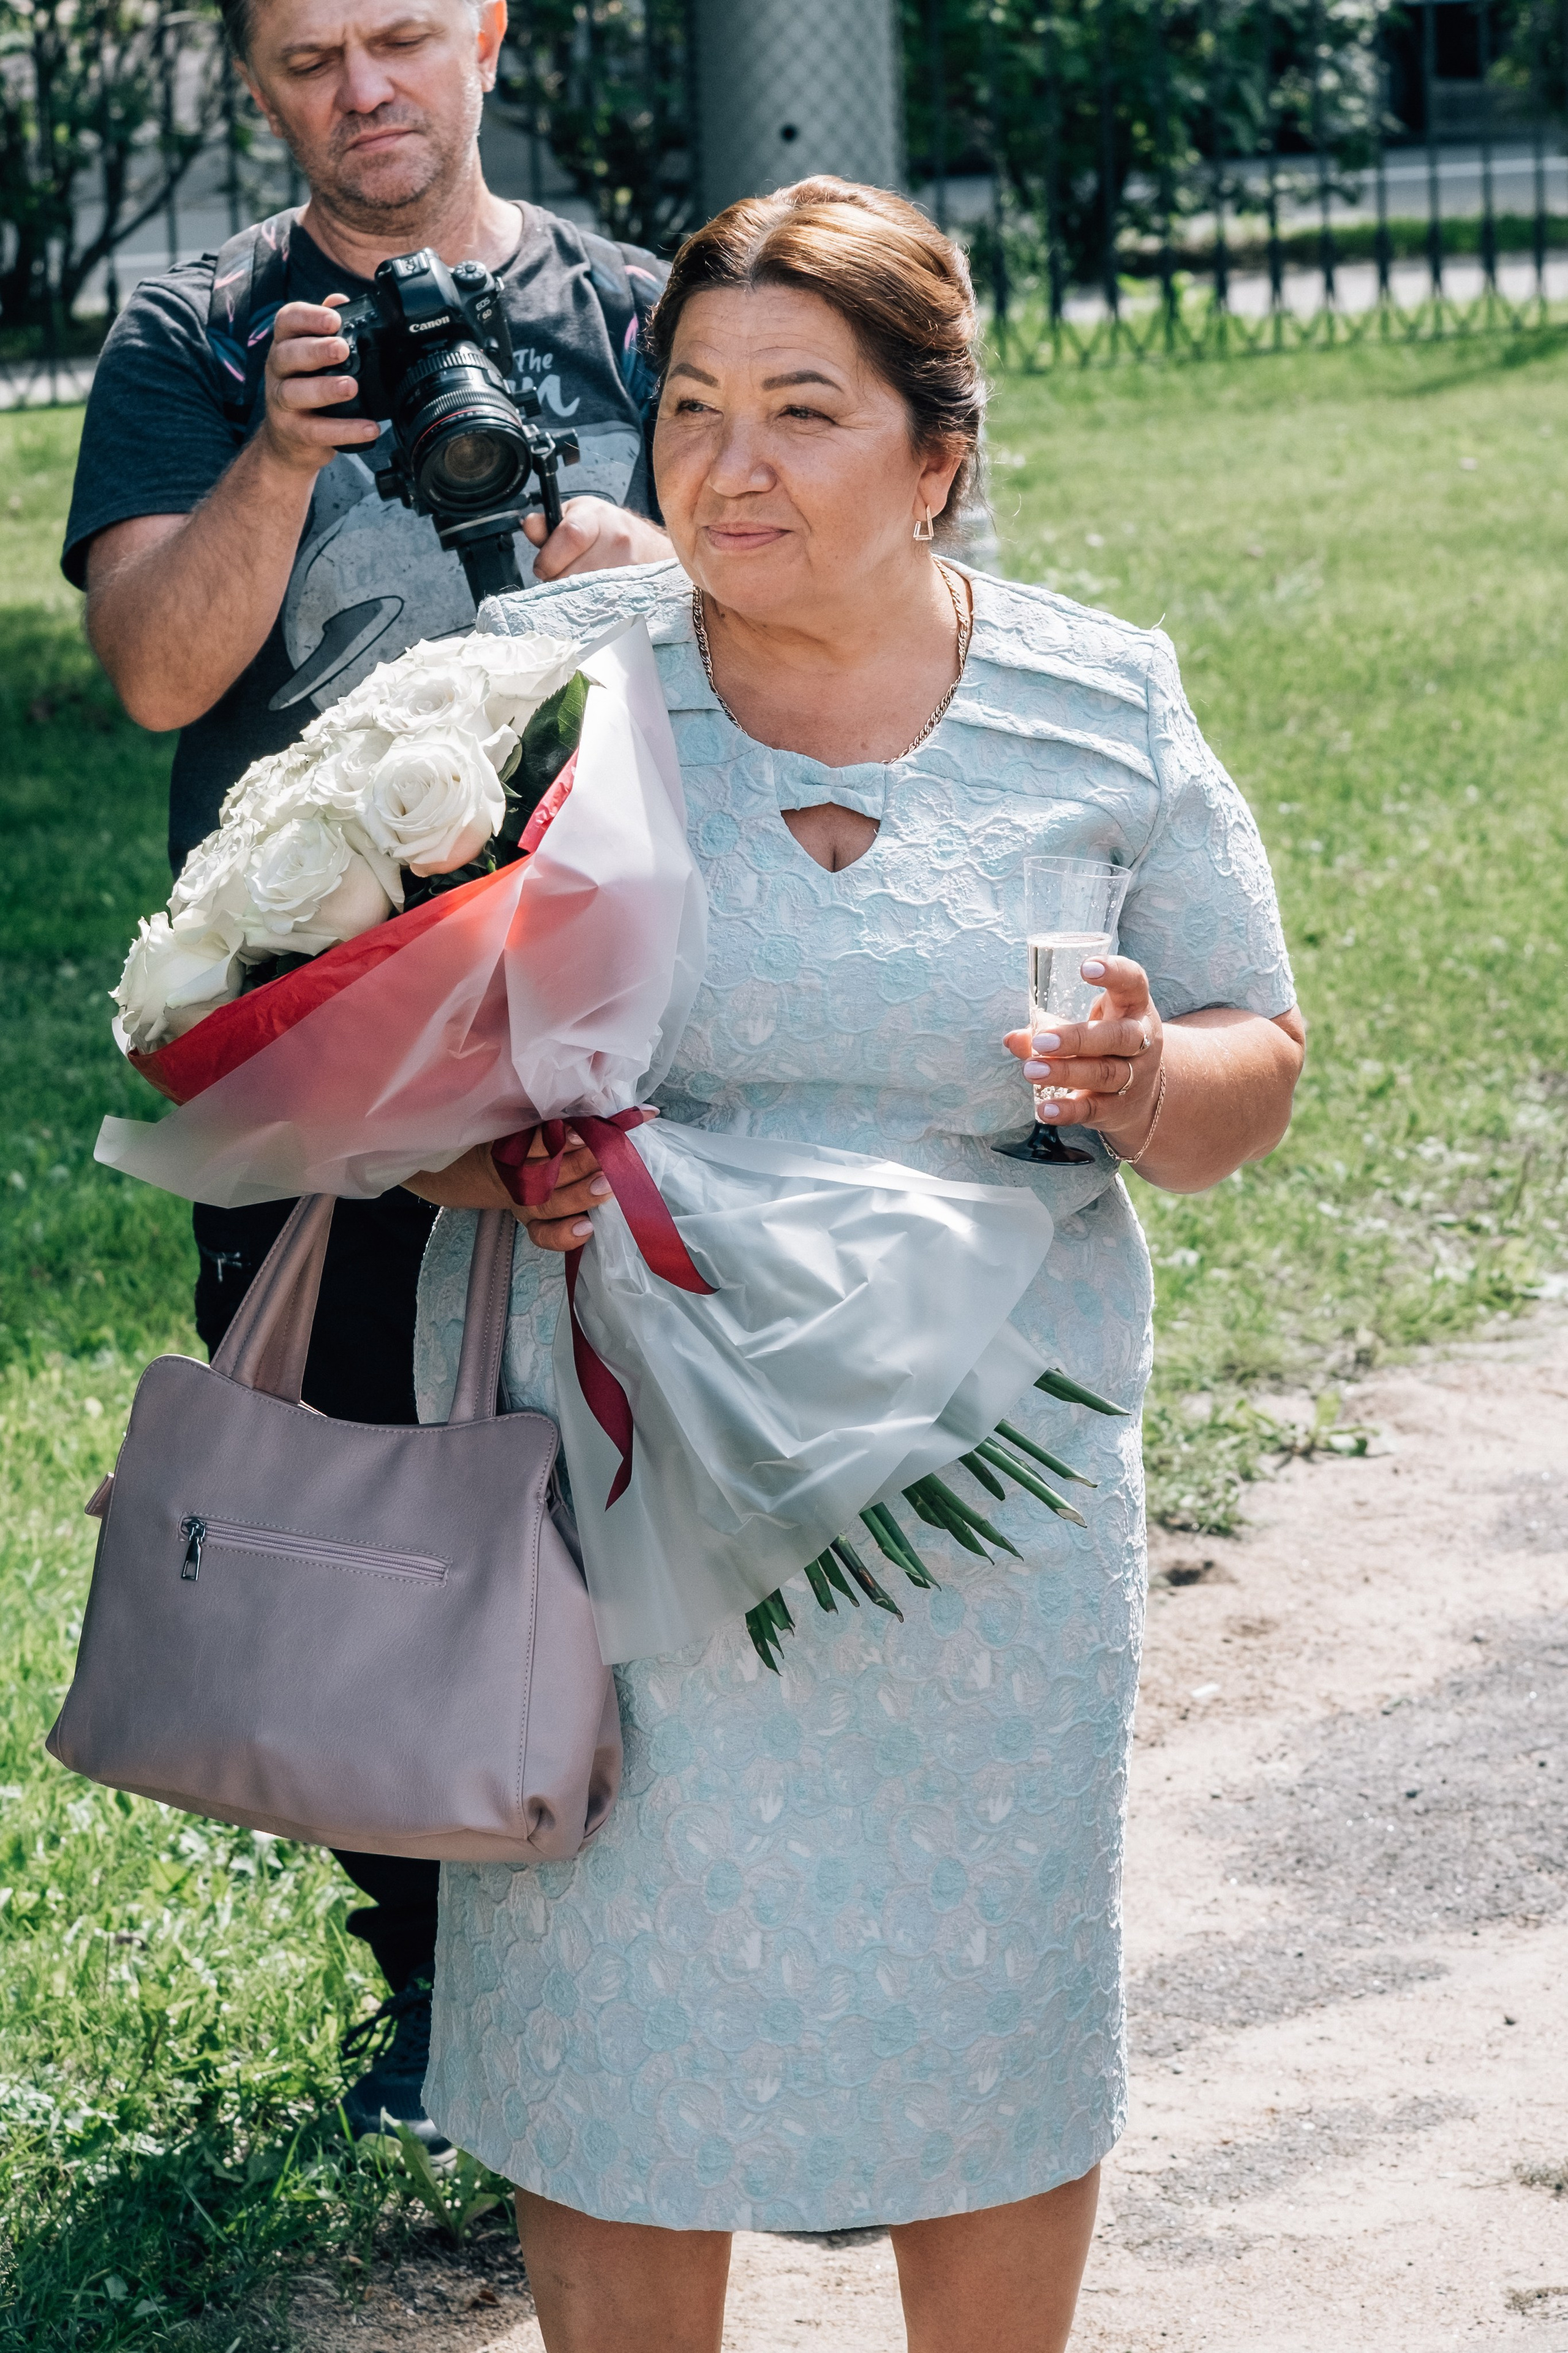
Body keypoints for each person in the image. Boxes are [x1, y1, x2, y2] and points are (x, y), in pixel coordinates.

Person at [403, 176, 1306, 2350]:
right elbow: (387, 1059)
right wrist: (488, 1163)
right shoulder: (540, 698)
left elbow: (1253, 1060)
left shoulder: (1103, 699)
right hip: (620, 1506)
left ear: (937, 455)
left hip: (981, 1525)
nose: (729, 464)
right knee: (614, 2027)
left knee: (986, 2021)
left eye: (804, 409)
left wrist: (1142, 1076)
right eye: (691, 405)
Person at [60, 0, 674, 2148]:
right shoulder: (196, 334)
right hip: (324, 1045)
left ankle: (658, 1958)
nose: (366, 90)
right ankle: (430, 1973)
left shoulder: (640, 308)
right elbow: (157, 674)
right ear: (255, 81)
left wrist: (659, 573)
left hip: (623, 997)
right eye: (311, 57)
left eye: (403, 35)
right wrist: (281, 456)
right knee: (363, 1503)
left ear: (488, 29)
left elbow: (807, 610)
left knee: (641, 1489)